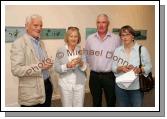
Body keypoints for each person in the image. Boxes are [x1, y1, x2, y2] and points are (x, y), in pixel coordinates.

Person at [10, 14, 54, 107]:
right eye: (35, 25)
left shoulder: (41, 42)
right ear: (26, 26)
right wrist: (41, 66)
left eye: (41, 26)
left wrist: (47, 63)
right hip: (31, 94)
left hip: (46, 87)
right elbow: (16, 70)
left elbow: (40, 63)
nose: (39, 28)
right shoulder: (18, 43)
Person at [85, 14, 121, 107]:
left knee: (111, 101)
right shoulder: (90, 38)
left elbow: (119, 57)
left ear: (108, 24)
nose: (101, 25)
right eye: (98, 22)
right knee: (96, 102)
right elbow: (87, 56)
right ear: (96, 24)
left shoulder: (116, 39)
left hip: (109, 76)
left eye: (103, 22)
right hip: (94, 76)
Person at [112, 25, 152, 106]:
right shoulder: (117, 50)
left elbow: (149, 67)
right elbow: (113, 67)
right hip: (120, 87)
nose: (125, 37)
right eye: (122, 35)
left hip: (136, 88)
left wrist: (139, 70)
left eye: (127, 34)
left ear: (132, 36)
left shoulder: (142, 49)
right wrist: (120, 68)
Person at [54, 26, 87, 107]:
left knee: (79, 106)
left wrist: (81, 63)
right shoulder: (60, 50)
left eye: (76, 36)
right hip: (65, 84)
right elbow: (56, 68)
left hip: (79, 83)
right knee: (67, 106)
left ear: (78, 38)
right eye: (71, 36)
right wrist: (67, 66)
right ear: (67, 38)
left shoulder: (81, 50)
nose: (73, 38)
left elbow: (85, 67)